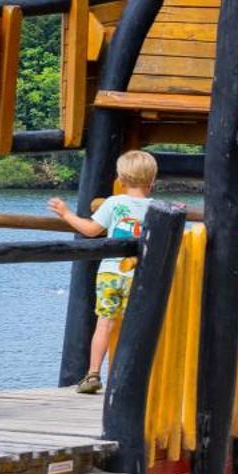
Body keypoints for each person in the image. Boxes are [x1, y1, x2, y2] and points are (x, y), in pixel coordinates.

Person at [49, 150, 158, 394]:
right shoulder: (157, 208)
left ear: (121, 178)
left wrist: (66, 213)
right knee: (136, 326)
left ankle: (93, 374)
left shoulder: (114, 203)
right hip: (139, 277)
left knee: (104, 323)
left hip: (110, 273)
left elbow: (90, 230)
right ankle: (132, 378)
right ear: (152, 179)